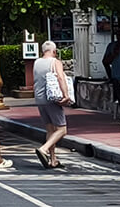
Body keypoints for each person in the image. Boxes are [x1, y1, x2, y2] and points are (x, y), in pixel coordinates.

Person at [34, 40, 72, 169]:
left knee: (50, 129)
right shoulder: (55, 62)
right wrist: (66, 95)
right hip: (52, 98)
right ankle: (44, 149)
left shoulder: (37, 62)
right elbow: (60, 77)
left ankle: (53, 159)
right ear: (54, 51)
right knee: (62, 129)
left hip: (39, 99)